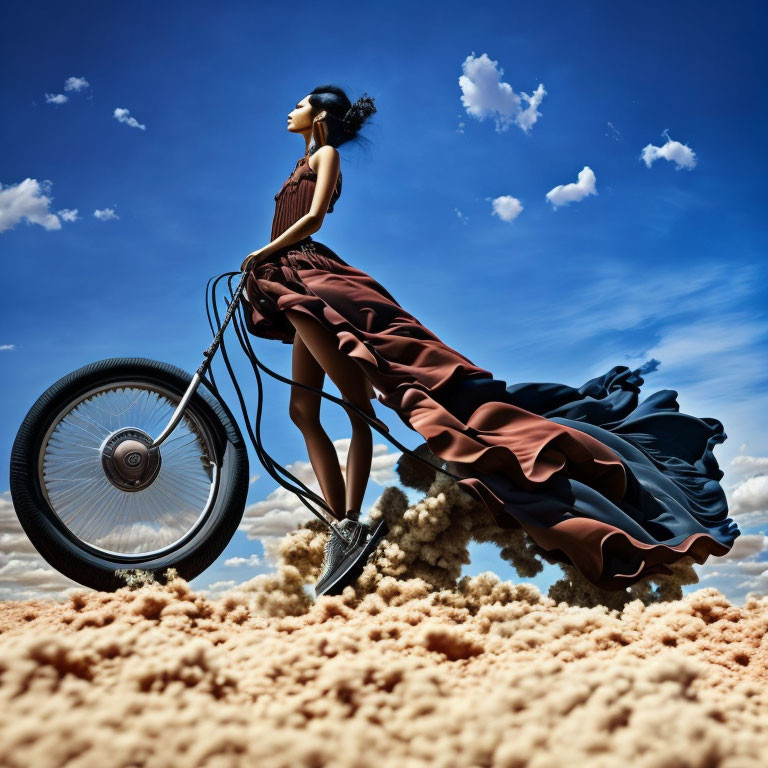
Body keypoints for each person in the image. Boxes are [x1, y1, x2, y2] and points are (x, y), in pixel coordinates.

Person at [240, 85, 740, 593]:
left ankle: (346, 525)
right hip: (286, 277)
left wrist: (262, 252)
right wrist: (267, 260)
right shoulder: (296, 164)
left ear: (321, 115)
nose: (290, 110)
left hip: (308, 275)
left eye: (300, 104)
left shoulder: (325, 155)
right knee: (302, 411)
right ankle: (342, 525)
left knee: (355, 404)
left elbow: (315, 217)